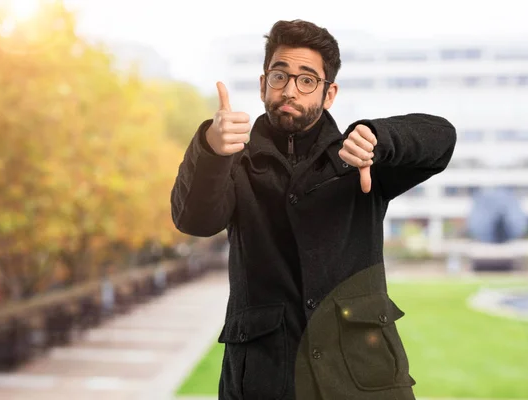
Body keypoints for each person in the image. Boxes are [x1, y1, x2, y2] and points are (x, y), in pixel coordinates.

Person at [170, 19, 456, 400]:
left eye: (307, 80)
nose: (290, 90)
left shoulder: (359, 156)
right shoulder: (234, 163)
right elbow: (194, 220)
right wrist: (210, 147)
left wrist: (380, 137)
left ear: (329, 93)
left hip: (362, 380)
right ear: (262, 85)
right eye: (279, 76)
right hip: (265, 379)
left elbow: (441, 137)